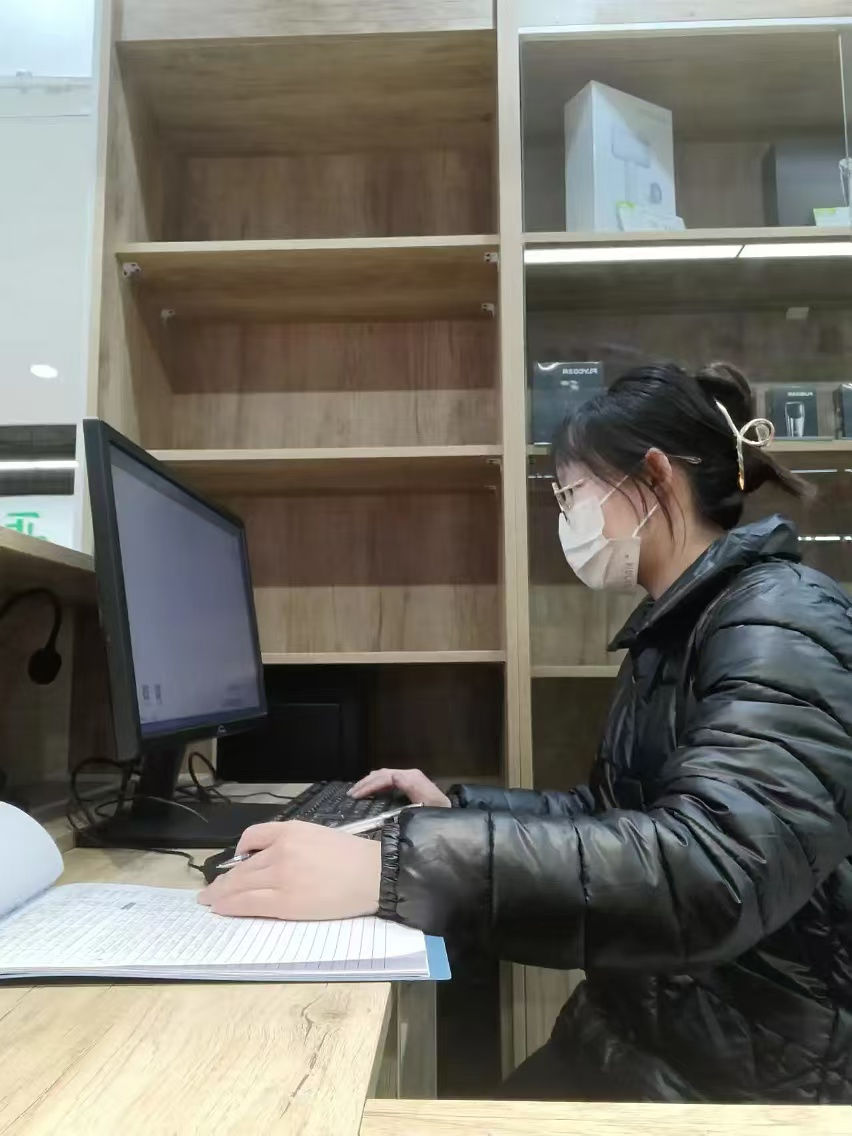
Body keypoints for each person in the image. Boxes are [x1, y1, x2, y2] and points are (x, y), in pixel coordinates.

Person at [200, 362, 852, 1104]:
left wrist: (393, 865)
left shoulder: (781, 617)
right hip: (640, 1037)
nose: (566, 519)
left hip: (738, 1089)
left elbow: (714, 869)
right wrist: (453, 811)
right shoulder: (683, 622)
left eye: (571, 495)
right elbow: (617, 815)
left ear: (655, 477)